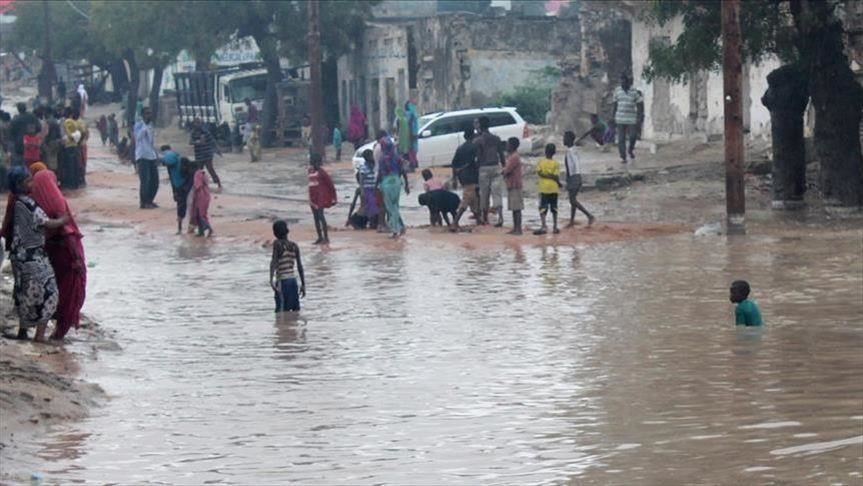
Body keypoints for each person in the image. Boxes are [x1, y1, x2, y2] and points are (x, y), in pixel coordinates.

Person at [4, 166, 67, 342]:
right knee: (49, 293)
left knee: (26, 293)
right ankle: (39, 336)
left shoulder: (17, 201)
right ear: (20, 184)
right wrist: (64, 219)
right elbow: (46, 223)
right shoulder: (28, 203)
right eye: (28, 180)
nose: (32, 183)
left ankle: (23, 332)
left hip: (20, 255)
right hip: (32, 256)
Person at [30, 169, 87, 341]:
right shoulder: (58, 203)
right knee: (67, 292)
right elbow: (68, 231)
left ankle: (41, 332)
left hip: (47, 255)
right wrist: (77, 259)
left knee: (46, 293)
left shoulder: (33, 202)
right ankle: (58, 332)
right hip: (66, 255)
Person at [376, 131, 410, 238]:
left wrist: (375, 185)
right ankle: (401, 227)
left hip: (387, 183)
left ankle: (395, 231)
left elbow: (380, 174)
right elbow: (403, 171)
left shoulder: (382, 158)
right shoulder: (397, 157)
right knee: (395, 206)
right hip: (397, 182)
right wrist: (406, 184)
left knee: (390, 207)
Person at [473, 116, 505, 226]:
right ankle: (500, 217)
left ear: (480, 125)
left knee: (484, 195)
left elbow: (476, 157)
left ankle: (485, 218)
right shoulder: (496, 138)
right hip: (496, 167)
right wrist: (504, 168)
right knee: (497, 194)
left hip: (483, 168)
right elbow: (501, 155)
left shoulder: (478, 140)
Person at [270, 220, 306, 313]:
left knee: (280, 311)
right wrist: (303, 284)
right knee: (294, 310)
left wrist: (271, 279)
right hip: (293, 282)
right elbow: (300, 266)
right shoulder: (294, 246)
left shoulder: (277, 244)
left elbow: (273, 261)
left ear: (275, 233)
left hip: (283, 281)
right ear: (287, 231)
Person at [563, 130, 596, 227]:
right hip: (575, 176)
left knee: (572, 200)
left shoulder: (570, 151)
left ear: (569, 139)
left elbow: (572, 167)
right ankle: (572, 221)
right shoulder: (574, 150)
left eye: (564, 138)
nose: (563, 140)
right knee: (572, 199)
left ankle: (589, 215)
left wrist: (571, 179)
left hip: (573, 177)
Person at [451, 129, 480, 231]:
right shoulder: (474, 147)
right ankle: (455, 222)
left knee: (473, 198)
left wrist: (454, 179)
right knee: (467, 199)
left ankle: (479, 220)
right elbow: (476, 162)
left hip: (462, 177)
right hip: (471, 176)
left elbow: (454, 164)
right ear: (473, 136)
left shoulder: (460, 148)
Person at [161, 145, 192, 234]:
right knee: (189, 206)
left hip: (181, 186)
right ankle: (188, 227)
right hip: (185, 185)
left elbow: (168, 163)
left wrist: (175, 191)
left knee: (181, 206)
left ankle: (180, 229)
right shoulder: (177, 157)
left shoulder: (169, 157)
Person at [613, 74, 643, 163]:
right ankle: (623, 156)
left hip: (631, 118)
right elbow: (615, 105)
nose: (622, 84)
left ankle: (630, 149)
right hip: (620, 118)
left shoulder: (634, 92)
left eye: (624, 82)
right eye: (621, 82)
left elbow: (640, 105)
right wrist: (613, 116)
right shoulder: (617, 91)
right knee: (621, 139)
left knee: (633, 136)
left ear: (628, 82)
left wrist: (639, 117)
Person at [308, 153, 337, 244]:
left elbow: (330, 184)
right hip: (313, 197)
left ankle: (326, 237)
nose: (315, 164)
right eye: (313, 162)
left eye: (316, 162)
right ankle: (319, 237)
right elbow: (310, 185)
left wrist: (334, 198)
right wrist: (309, 198)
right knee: (316, 218)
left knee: (321, 216)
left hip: (320, 197)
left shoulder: (322, 172)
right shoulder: (310, 171)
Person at [134, 107, 159, 208]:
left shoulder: (151, 126)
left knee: (155, 181)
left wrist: (156, 155)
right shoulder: (139, 125)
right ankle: (143, 202)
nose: (150, 115)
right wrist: (144, 127)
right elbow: (138, 138)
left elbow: (152, 142)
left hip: (151, 155)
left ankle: (150, 200)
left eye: (150, 113)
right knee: (145, 181)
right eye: (147, 113)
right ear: (143, 115)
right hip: (142, 156)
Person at [535, 143, 561, 235]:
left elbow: (539, 173)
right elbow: (556, 176)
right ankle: (555, 226)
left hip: (544, 188)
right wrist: (558, 183)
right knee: (554, 208)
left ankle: (543, 226)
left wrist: (546, 175)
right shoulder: (556, 164)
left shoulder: (541, 162)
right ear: (554, 152)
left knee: (542, 208)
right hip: (554, 188)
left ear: (545, 151)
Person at [190, 118, 222, 189]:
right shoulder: (193, 132)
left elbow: (212, 141)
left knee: (210, 169)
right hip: (199, 155)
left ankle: (218, 183)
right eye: (196, 123)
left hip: (207, 154)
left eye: (198, 123)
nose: (197, 125)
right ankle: (199, 184)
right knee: (199, 170)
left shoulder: (205, 132)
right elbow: (190, 142)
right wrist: (197, 142)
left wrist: (218, 150)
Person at [502, 137, 524, 235]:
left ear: (512, 146)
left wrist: (503, 171)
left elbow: (507, 170)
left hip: (515, 185)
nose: (506, 146)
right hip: (512, 184)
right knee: (514, 208)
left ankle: (518, 229)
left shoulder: (514, 157)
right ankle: (515, 228)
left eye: (508, 144)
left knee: (516, 208)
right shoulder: (512, 156)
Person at [60, 107, 83, 190]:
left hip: (69, 146)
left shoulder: (67, 121)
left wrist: (70, 137)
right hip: (75, 145)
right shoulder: (75, 122)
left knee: (70, 166)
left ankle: (71, 184)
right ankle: (75, 184)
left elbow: (68, 133)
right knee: (75, 165)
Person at [189, 162, 213, 237]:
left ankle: (208, 228)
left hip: (200, 196)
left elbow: (197, 186)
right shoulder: (203, 173)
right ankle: (201, 231)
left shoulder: (197, 174)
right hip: (206, 195)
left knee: (200, 214)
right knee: (200, 214)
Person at [358, 149, 380, 230]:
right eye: (371, 156)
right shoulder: (363, 167)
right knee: (372, 208)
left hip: (375, 189)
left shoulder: (375, 166)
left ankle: (374, 224)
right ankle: (372, 224)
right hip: (368, 190)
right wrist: (362, 191)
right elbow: (361, 180)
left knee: (376, 207)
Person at [405, 101, 420, 171]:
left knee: (411, 151)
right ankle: (414, 164)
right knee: (412, 151)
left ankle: (413, 164)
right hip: (412, 135)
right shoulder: (411, 114)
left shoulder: (410, 114)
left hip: (411, 135)